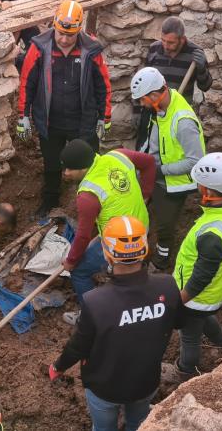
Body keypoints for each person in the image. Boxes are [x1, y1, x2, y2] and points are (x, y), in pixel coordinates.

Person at [49, 216, 182, 431]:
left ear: (107, 253)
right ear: (144, 248)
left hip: (104, 387)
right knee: (140, 423)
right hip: (145, 381)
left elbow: (79, 346)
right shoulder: (167, 286)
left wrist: (58, 366)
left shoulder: (95, 301)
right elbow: (178, 321)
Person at [17, 0, 113, 221]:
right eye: (60, 33)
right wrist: (23, 116)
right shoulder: (39, 46)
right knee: (51, 165)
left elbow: (103, 85)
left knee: (88, 164)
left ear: (79, 31)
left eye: (70, 35)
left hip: (84, 119)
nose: (64, 39)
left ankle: (92, 203)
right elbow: (27, 82)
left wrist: (104, 117)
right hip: (50, 121)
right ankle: (50, 201)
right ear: (54, 25)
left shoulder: (91, 48)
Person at [163, 153, 222, 383]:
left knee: (190, 336)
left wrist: (179, 299)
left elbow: (202, 276)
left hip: (197, 295)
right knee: (203, 318)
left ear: (209, 191)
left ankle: (184, 370)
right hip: (216, 291)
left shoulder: (213, 233)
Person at [58, 139, 155, 325]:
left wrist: (70, 261)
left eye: (70, 169)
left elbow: (84, 235)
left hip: (118, 244)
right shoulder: (119, 155)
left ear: (83, 167)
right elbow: (149, 162)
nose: (66, 173)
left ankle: (90, 317)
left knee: (79, 271)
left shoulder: (87, 195)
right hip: (141, 228)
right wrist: (145, 194)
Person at [131, 67, 206, 271]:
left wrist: (160, 170)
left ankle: (161, 261)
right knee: (141, 209)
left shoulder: (183, 123)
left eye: (142, 100)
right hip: (157, 172)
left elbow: (195, 161)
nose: (141, 104)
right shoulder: (163, 107)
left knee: (164, 225)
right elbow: (154, 141)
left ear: (155, 95)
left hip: (175, 183)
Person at [136, 16, 212, 151]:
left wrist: (202, 69)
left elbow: (205, 86)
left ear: (182, 39)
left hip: (177, 116)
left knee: (172, 152)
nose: (165, 45)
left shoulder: (195, 54)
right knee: (146, 153)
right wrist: (137, 112)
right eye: (163, 40)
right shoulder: (154, 49)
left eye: (170, 42)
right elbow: (143, 83)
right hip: (152, 114)